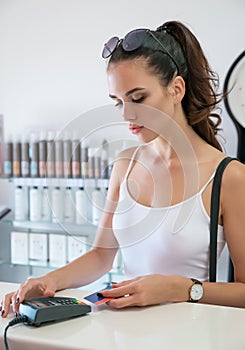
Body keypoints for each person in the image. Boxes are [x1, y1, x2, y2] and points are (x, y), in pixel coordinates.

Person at [1, 20, 245, 316]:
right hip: (123, 334)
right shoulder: (125, 164)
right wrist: (48, 280)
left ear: (176, 88)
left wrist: (180, 288)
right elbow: (101, 256)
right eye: (118, 102)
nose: (127, 114)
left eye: (139, 98)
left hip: (190, 336)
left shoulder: (229, 177)